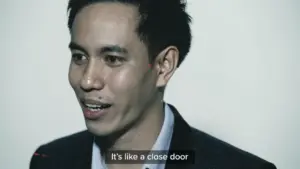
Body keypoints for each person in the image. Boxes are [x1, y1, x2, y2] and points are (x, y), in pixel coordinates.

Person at [30, 0, 277, 169]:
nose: (87, 80)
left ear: (163, 65)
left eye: (113, 59)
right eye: (79, 57)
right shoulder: (49, 160)